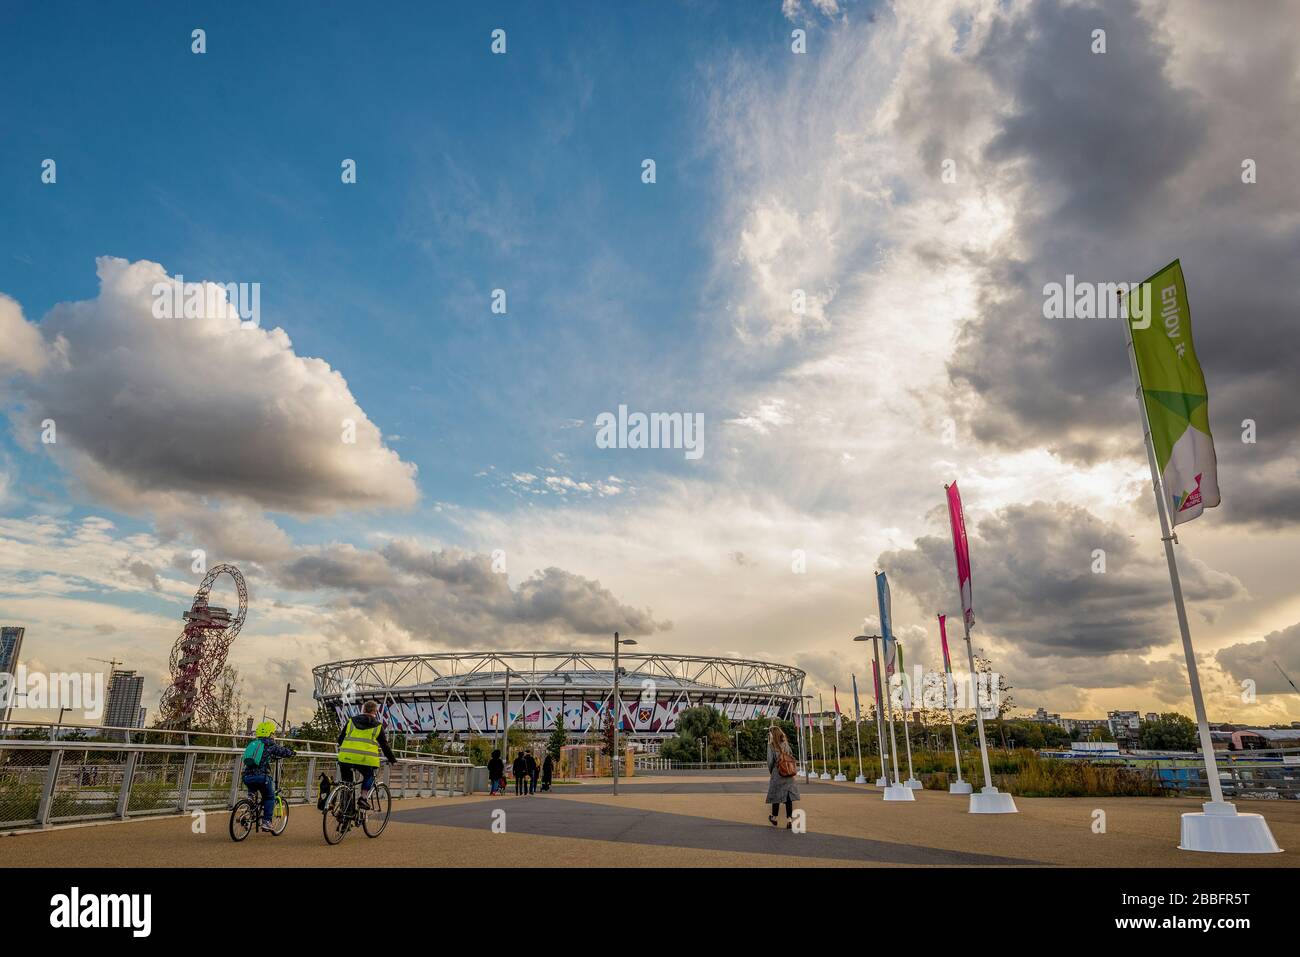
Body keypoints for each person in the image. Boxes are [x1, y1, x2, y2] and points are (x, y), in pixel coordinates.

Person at [336, 700, 398, 810]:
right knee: (369, 775)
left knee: (347, 783)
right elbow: (384, 746)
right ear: (376, 711)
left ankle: (345, 811)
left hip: (346, 758)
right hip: (365, 760)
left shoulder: (351, 721)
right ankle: (363, 798)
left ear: (363, 709)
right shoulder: (378, 726)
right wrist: (392, 760)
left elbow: (340, 740)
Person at [242, 720, 296, 831]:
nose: (274, 736)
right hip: (261, 777)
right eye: (273, 733)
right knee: (270, 797)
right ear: (270, 734)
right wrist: (292, 752)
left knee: (252, 791)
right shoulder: (270, 744)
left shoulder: (254, 744)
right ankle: (266, 821)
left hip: (246, 776)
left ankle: (250, 801)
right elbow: (282, 751)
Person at [765, 724, 801, 829]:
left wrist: (772, 772)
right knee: (788, 796)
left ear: (772, 734)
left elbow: (770, 761)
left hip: (778, 772)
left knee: (776, 796)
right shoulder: (785, 744)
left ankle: (774, 817)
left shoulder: (771, 746)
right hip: (788, 773)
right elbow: (790, 754)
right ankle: (789, 819)